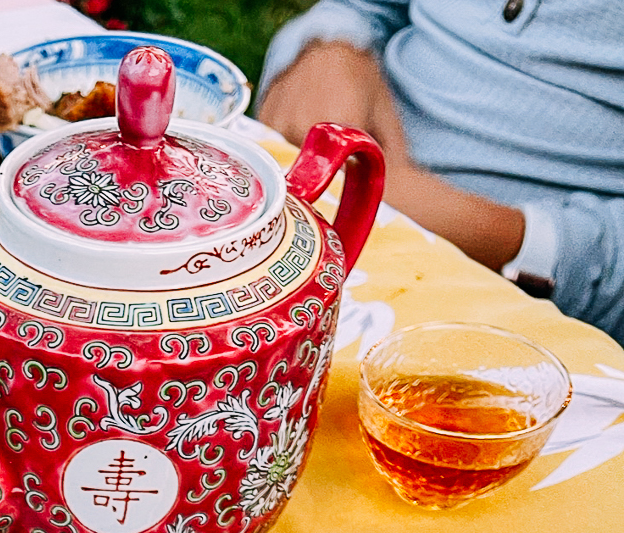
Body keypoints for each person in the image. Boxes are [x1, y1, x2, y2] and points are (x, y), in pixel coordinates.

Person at [257, 1, 624, 345]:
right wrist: (331, 45)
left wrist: (505, 239)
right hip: (332, 183)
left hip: (510, 306)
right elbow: (366, 8)